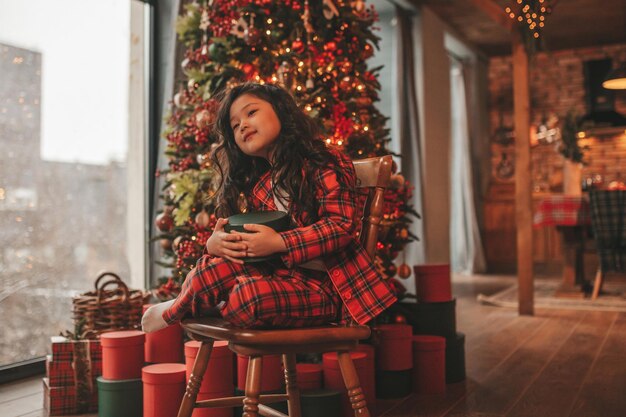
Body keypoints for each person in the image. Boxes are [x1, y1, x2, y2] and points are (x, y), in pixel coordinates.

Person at [142, 82, 396, 333]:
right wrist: (216, 244)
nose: (242, 125)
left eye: (251, 112)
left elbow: (340, 227)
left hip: (329, 289)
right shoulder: (261, 186)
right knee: (209, 270)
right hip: (280, 278)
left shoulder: (324, 161)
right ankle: (195, 303)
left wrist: (280, 243)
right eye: (234, 126)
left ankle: (185, 307)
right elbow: (254, 245)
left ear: (281, 111)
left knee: (247, 297)